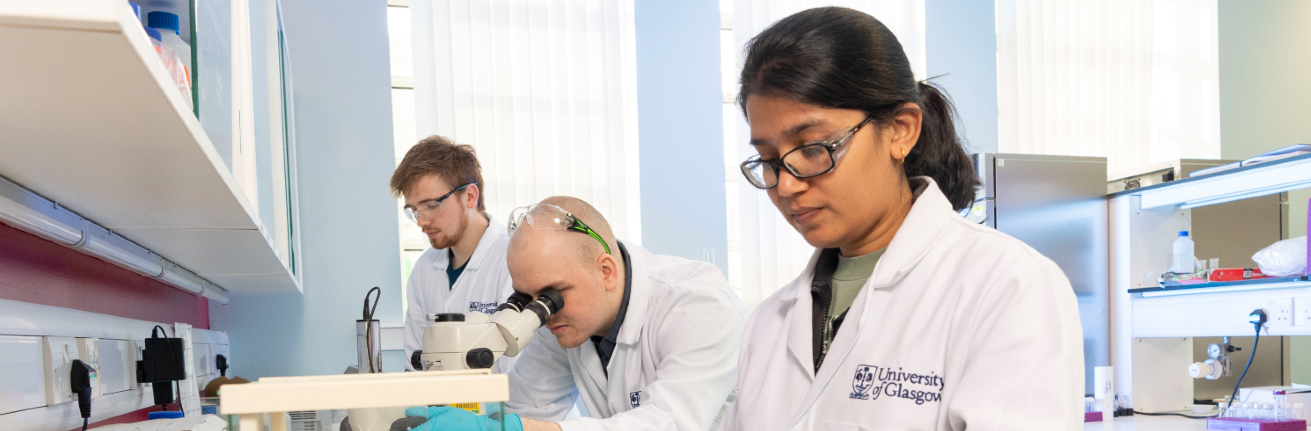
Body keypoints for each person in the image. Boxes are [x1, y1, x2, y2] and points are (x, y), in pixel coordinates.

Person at [718, 7, 1084, 431]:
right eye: (768, 160)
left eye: (814, 148)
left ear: (901, 130)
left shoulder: (1008, 285)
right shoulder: (768, 323)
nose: (786, 186)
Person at [406, 196, 750, 431]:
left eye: (552, 296)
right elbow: (528, 409)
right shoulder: (562, 322)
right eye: (528, 298)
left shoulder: (699, 307)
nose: (543, 313)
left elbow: (669, 423)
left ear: (606, 271)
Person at [391, 135, 515, 371]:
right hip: (444, 406)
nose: (421, 221)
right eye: (414, 210)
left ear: (469, 196)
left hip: (507, 407)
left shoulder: (513, 259)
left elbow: (519, 370)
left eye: (431, 205)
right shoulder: (423, 269)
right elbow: (416, 365)